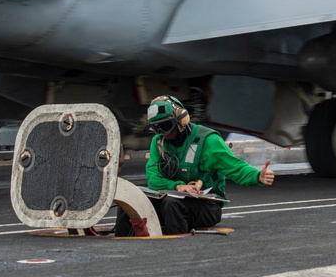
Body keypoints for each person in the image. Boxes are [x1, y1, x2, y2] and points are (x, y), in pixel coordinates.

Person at [114, 95, 275, 236]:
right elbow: (153, 178)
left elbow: (235, 167)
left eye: (165, 126)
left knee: (172, 204)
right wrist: (178, 187)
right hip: (172, 199)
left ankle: (171, 250)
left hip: (207, 206)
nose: (162, 133)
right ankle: (123, 242)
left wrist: (257, 176)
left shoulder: (208, 141)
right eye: (156, 128)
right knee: (130, 203)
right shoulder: (158, 142)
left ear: (180, 120)